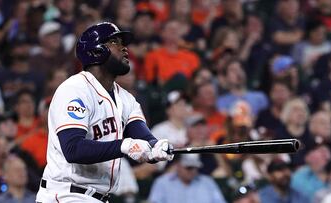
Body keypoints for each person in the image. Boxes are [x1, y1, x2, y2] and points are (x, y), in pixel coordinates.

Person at [36, 22, 173, 203]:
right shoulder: (74, 89)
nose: (125, 49)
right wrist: (124, 146)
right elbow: (73, 149)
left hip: (99, 197)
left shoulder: (126, 99)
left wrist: (156, 148)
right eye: (115, 42)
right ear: (95, 51)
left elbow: (142, 136)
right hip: (66, 194)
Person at [148, 154, 227, 203]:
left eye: (195, 167)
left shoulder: (207, 182)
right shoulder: (163, 182)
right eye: (188, 167)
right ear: (178, 166)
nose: (192, 171)